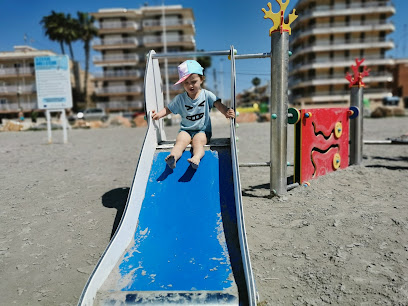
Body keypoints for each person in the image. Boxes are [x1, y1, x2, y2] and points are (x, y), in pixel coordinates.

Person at [152, 60, 235, 169]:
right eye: (186, 83)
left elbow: (218, 104)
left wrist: (226, 112)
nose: (190, 85)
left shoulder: (206, 95)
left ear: (201, 79)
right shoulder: (180, 98)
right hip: (185, 130)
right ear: (182, 83)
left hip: (202, 131)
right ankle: (173, 157)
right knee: (180, 142)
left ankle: (196, 158)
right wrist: (158, 115)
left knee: (198, 142)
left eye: (193, 81)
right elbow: (168, 109)